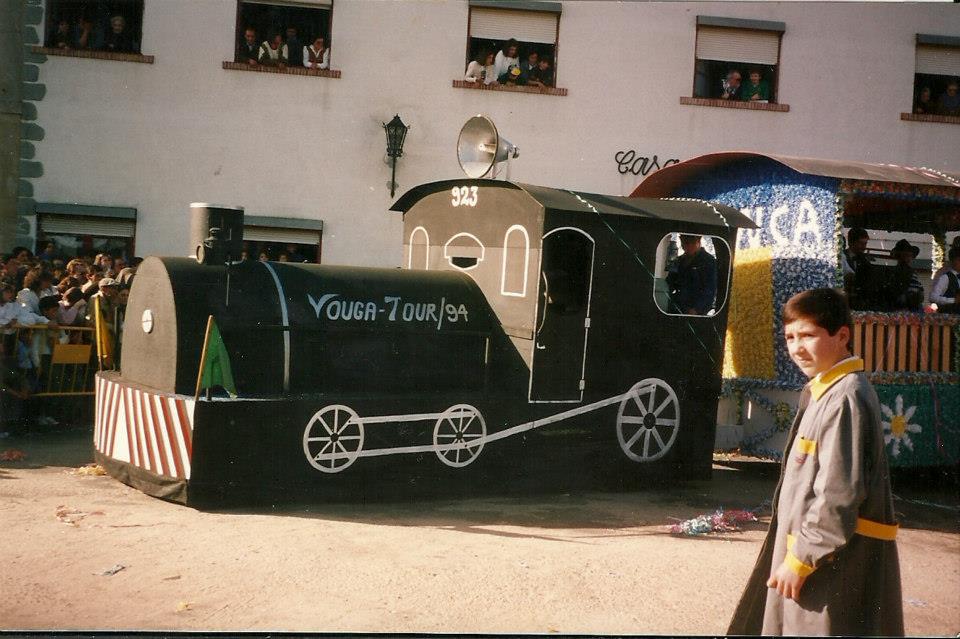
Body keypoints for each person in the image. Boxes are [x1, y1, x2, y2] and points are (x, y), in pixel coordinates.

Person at [728, 288, 903, 636]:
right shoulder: (826, 390)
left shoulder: (845, 398)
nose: (797, 348)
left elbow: (838, 494)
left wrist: (801, 559)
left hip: (831, 565)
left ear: (842, 336)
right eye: (790, 337)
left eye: (808, 335)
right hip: (817, 557)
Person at [665, 234, 717, 315]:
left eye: (691, 242)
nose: (688, 246)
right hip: (676, 308)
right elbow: (669, 283)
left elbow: (710, 290)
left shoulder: (708, 261)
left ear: (699, 240)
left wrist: (696, 309)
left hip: (696, 313)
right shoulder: (679, 261)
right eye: (685, 242)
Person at [880, 239, 923, 311]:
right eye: (906, 255)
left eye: (910, 256)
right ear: (899, 257)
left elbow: (918, 290)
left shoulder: (912, 272)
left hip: (912, 307)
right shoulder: (891, 271)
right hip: (897, 308)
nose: (909, 258)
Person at [841, 227, 874, 310]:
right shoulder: (840, 258)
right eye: (860, 243)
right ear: (851, 242)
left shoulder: (865, 262)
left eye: (865, 244)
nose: (864, 247)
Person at [930, 247, 960, 313]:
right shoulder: (945, 278)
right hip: (949, 315)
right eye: (959, 260)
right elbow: (933, 297)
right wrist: (953, 300)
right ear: (952, 261)